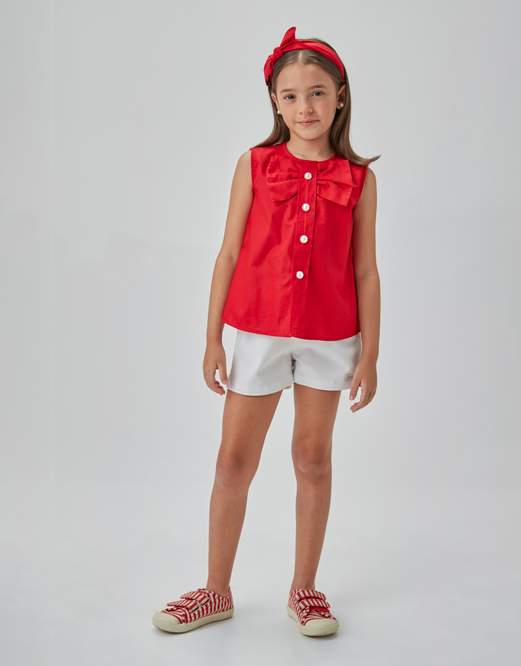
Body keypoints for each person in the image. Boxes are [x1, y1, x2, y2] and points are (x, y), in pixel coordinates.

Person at [152, 25, 381, 638]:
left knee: (313, 459)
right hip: (259, 330)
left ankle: (305, 589)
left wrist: (370, 355)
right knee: (233, 461)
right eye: (290, 96)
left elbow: (365, 270)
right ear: (276, 103)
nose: (305, 107)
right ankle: (215, 591)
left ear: (340, 96)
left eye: (317, 92)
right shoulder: (254, 165)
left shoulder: (359, 180)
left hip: (331, 337)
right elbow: (228, 253)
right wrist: (212, 338)